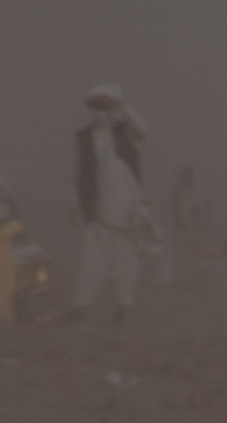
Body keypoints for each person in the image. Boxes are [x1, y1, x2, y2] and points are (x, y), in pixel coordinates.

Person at [72, 84, 150, 323]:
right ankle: (80, 309)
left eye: (104, 108)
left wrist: (122, 108)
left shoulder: (125, 132)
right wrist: (75, 203)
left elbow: (144, 130)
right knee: (92, 261)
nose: (99, 113)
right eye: (95, 107)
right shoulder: (84, 137)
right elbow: (82, 172)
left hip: (126, 209)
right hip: (98, 209)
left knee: (126, 263)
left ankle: (121, 310)